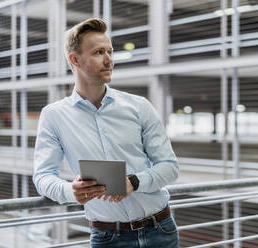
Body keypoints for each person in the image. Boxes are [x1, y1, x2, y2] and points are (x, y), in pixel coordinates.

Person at [33, 18, 179, 248]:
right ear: (75, 59)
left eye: (110, 51)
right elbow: (42, 177)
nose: (109, 60)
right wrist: (70, 191)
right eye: (99, 52)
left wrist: (135, 181)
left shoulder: (139, 106)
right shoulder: (54, 116)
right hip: (108, 239)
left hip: (160, 230)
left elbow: (169, 167)